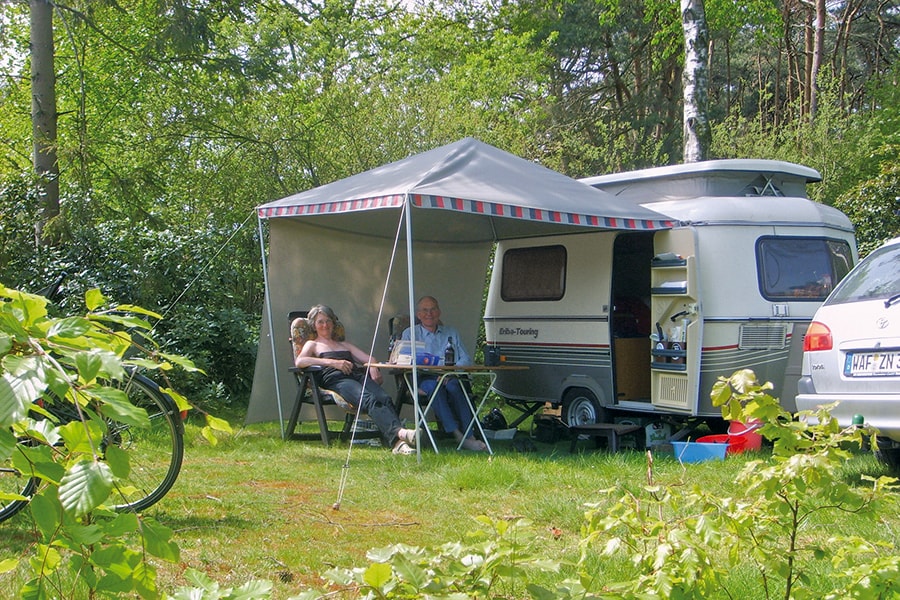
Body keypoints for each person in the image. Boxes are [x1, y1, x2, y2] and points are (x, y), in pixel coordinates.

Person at [295, 304, 417, 455]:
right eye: (320, 322)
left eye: (328, 321)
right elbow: (300, 361)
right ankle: (401, 435)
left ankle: (398, 443)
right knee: (368, 399)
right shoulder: (313, 344)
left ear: (333, 323)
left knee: (384, 398)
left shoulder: (344, 345)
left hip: (356, 376)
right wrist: (333, 363)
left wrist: (373, 367)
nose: (325, 325)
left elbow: (369, 358)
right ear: (314, 325)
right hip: (337, 380)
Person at [401, 296, 488, 451]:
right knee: (436, 389)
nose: (429, 314)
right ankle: (458, 435)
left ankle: (469, 435)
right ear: (418, 315)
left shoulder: (451, 332)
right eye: (425, 310)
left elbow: (466, 359)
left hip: (449, 375)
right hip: (425, 377)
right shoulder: (410, 334)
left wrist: (451, 371)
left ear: (439, 312)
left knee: (456, 387)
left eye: (433, 309)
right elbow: (403, 361)